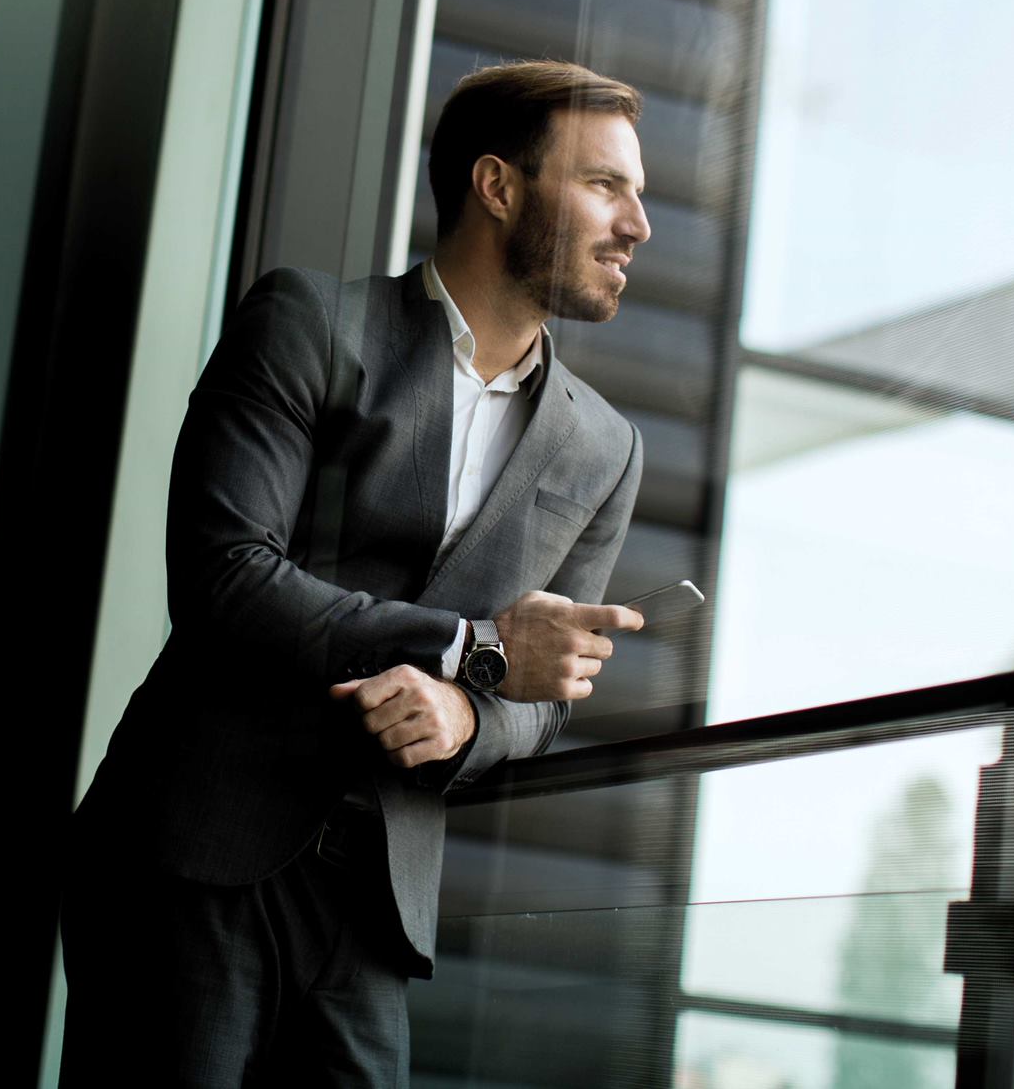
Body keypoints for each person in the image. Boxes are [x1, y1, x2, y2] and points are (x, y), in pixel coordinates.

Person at [61, 60, 654, 1084]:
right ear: (497, 185)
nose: (637, 224)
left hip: (379, 903)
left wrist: (471, 715)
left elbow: (541, 694)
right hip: (193, 855)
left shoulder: (605, 447)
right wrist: (470, 648)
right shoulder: (309, 324)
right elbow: (223, 574)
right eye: (605, 183)